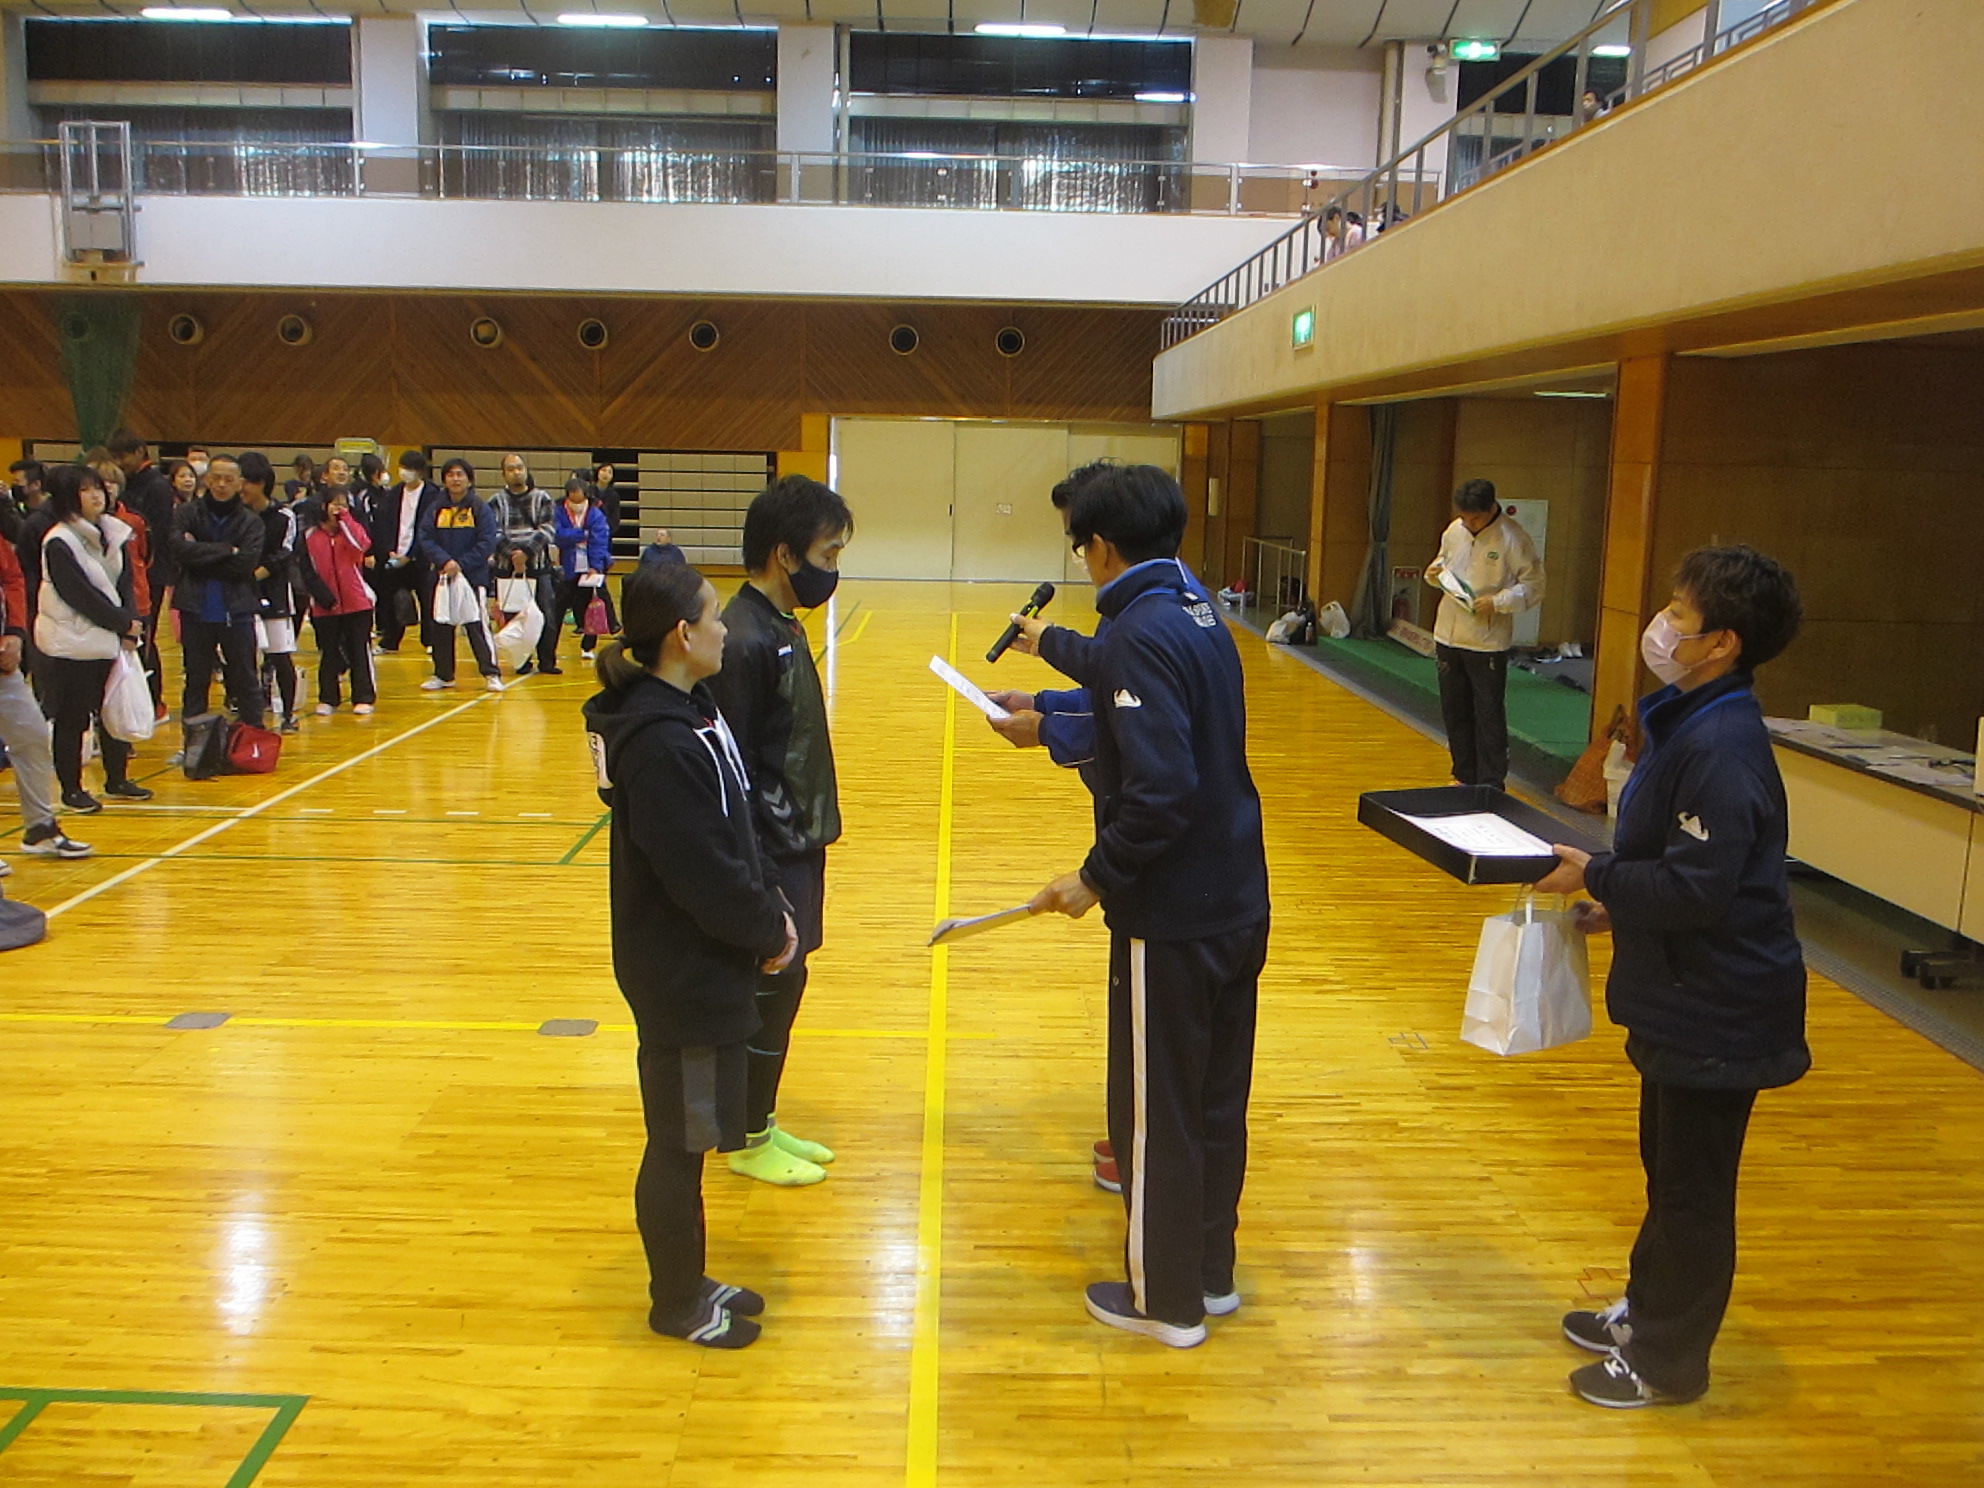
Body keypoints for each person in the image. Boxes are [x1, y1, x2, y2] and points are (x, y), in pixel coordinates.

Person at [1536, 545, 1808, 1410]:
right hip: (1684, 995)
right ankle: (1647, 1312)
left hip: (1722, 1009)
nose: (1661, 626)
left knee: (1693, 1192)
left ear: (1722, 642)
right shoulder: (1693, 720)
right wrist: (1621, 906)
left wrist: (1596, 874)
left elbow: (1697, 889)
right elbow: (1687, 872)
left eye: (1679, 616)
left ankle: (1667, 1363)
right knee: (1670, 1174)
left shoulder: (1723, 747)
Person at [1027, 463, 1270, 1350]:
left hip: (1172, 917)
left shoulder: (1136, 628)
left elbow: (1160, 790)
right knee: (1214, 1102)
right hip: (1238, 897)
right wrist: (1048, 710)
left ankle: (1163, 1300)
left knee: (1155, 1109)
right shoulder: (1198, 608)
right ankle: (1207, 1274)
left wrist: (1095, 877)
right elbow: (1149, 712)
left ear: (1099, 546)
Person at [582, 561, 797, 1350]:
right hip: (682, 972)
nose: (724, 629)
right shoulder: (661, 743)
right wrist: (766, 933)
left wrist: (773, 902)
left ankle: (692, 1277)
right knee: (679, 1142)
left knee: (692, 1136)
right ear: (682, 635)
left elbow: (736, 825)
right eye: (713, 616)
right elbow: (700, 870)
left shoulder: (694, 710)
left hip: (710, 962)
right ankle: (675, 1302)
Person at [706, 475, 852, 1187]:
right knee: (768, 986)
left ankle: (757, 1120)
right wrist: (757, 872)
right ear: (785, 554)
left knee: (787, 985)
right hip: (770, 850)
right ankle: (742, 1137)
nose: (834, 569)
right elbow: (731, 770)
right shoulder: (743, 640)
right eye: (827, 554)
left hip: (798, 840)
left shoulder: (783, 625)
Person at [33, 465, 152, 811]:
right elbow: (78, 595)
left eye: (98, 487)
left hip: (111, 638)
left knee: (112, 709)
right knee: (73, 716)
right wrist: (122, 623)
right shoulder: (59, 540)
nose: (97, 495)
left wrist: (131, 621)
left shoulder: (114, 532)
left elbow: (125, 584)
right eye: (86, 490)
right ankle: (71, 788)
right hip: (72, 642)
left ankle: (117, 778)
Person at [1424, 478, 1544, 793]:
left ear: (1491, 508)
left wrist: (1498, 602)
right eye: (1464, 517)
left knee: (1488, 712)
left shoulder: (1513, 538)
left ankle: (1491, 783)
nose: (1469, 523)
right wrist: (1434, 574)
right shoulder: (1454, 531)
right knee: (1455, 710)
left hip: (1487, 640)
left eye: (1475, 518)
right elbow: (1443, 564)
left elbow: (1534, 586)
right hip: (1448, 634)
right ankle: (1463, 775)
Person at [0, 522, 92, 866]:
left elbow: (12, 578)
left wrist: (14, 632)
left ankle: (39, 828)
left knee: (32, 734)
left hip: (3, 662)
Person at [169, 453, 268, 731]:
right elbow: (179, 550)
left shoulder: (251, 521)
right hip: (195, 608)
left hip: (237, 609)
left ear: (239, 483)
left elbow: (245, 564)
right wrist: (225, 550)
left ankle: (253, 737)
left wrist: (199, 553)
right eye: (216, 478)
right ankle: (193, 742)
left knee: (245, 677)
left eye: (228, 479)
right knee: (196, 679)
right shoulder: (186, 513)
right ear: (207, 480)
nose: (221, 484)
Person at [416, 458, 502, 694]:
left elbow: (487, 541)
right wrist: (444, 561)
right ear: (444, 480)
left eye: (460, 474)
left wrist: (461, 564)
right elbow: (425, 537)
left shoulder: (479, 507)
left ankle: (491, 673)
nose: (455, 479)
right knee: (441, 625)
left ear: (469, 480)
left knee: (477, 625)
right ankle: (443, 674)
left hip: (472, 577)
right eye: (451, 475)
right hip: (442, 577)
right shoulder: (435, 508)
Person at [300, 486, 377, 716]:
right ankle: (328, 698)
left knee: (358, 650)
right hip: (324, 604)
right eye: (335, 503)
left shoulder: (351, 530)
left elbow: (361, 545)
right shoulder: (309, 535)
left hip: (356, 601)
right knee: (329, 652)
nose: (339, 508)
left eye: (343, 503)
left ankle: (363, 696)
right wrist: (323, 597)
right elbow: (306, 570)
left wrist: (345, 519)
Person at [239, 453, 303, 733]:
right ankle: (249, 714)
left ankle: (288, 714)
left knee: (279, 656)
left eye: (246, 482)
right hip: (240, 595)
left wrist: (256, 574)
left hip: (274, 594)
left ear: (261, 483)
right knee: (243, 658)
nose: (241, 488)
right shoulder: (236, 515)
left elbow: (285, 553)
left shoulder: (283, 516)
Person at [490, 453, 559, 677]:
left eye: (520, 467)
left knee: (546, 615)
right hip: (507, 569)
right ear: (503, 474)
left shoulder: (542, 498)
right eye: (511, 469)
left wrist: (527, 553)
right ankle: (521, 661)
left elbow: (548, 529)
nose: (516, 472)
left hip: (538, 567)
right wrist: (513, 554)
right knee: (513, 617)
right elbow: (494, 532)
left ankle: (547, 660)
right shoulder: (496, 501)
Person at [368, 450, 436, 654]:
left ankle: (430, 640)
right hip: (394, 556)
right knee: (390, 599)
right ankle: (390, 641)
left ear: (420, 471)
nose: (405, 472)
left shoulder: (433, 495)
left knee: (427, 600)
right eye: (403, 467)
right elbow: (384, 525)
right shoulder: (393, 494)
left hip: (420, 558)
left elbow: (428, 529)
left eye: (410, 469)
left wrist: (411, 554)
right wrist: (389, 550)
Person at [554, 476, 613, 671]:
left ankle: (588, 645)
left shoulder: (595, 514)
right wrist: (582, 534)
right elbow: (558, 535)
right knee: (558, 609)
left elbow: (599, 541)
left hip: (589, 567)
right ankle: (549, 651)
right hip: (567, 566)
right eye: (572, 499)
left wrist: (595, 565)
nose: (576, 504)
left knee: (590, 607)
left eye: (579, 499)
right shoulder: (559, 511)